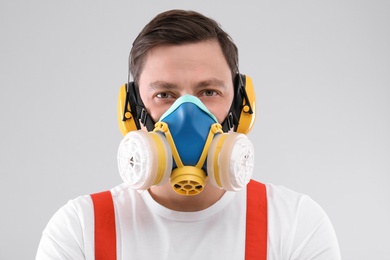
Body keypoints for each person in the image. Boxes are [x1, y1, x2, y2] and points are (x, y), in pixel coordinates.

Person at [36, 9, 341, 260]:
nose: (187, 116)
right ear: (130, 109)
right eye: (165, 94)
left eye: (209, 92)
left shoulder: (296, 225)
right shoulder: (79, 229)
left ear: (240, 104)